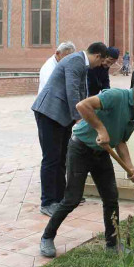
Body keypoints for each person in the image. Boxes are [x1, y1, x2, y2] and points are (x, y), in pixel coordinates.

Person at [39, 75, 134, 258]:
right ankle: (47, 237)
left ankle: (112, 243)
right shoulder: (116, 96)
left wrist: (130, 167)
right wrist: (101, 129)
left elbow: (120, 141)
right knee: (72, 199)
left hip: (101, 153)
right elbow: (82, 105)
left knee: (111, 198)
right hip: (80, 149)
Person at [32, 42, 108, 217]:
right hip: (49, 113)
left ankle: (61, 198)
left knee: (61, 158)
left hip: (62, 116)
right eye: (101, 62)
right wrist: (79, 118)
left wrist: (86, 112)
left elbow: (81, 92)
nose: (100, 66)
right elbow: (72, 91)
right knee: (51, 159)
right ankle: (47, 202)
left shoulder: (81, 63)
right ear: (98, 56)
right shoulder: (76, 61)